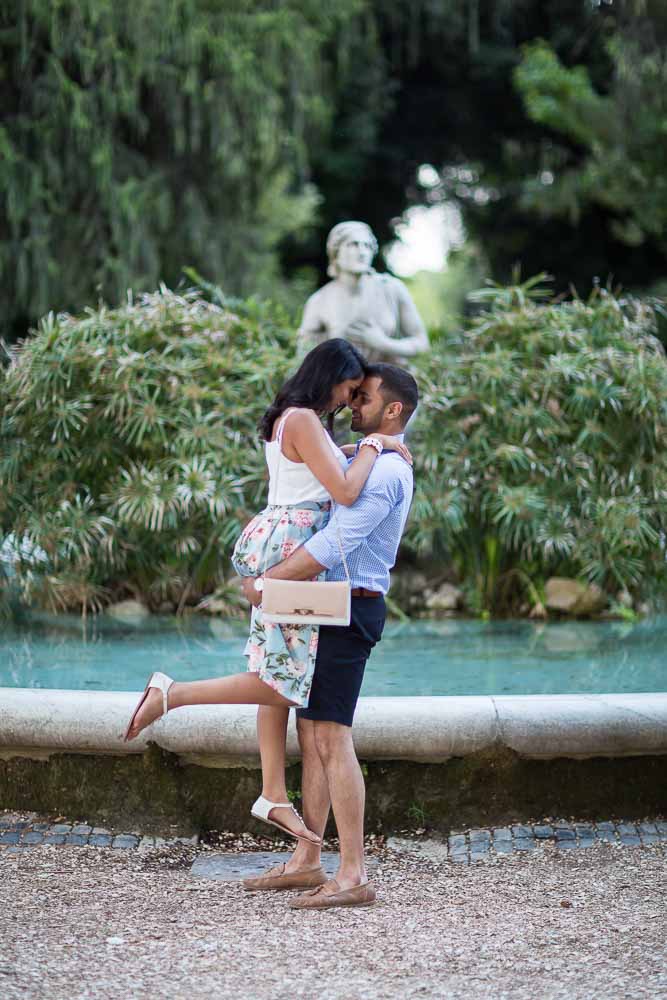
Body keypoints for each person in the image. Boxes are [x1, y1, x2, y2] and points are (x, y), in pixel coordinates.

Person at [122, 340, 411, 847]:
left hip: (280, 535)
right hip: (296, 546)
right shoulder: (303, 419)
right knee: (279, 682)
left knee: (276, 671)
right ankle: (171, 695)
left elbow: (318, 472)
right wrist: (372, 446)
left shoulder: (290, 418)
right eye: (348, 390)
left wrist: (359, 450)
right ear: (332, 377)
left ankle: (274, 792)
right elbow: (344, 492)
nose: (348, 402)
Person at [241, 363, 417, 910]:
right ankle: (309, 860)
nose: (351, 406)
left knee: (332, 740)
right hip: (325, 606)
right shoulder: (366, 455)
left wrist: (265, 584)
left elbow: (338, 540)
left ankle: (353, 873)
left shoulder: (387, 471)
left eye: (363, 398)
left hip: (350, 607)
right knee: (311, 734)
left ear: (392, 410)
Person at [297, 220, 430, 363]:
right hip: (342, 383)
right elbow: (303, 358)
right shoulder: (319, 301)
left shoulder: (392, 288)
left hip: (388, 382)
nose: (362, 252)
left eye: (367, 246)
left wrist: (384, 343)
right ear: (335, 252)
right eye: (353, 245)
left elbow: (422, 343)